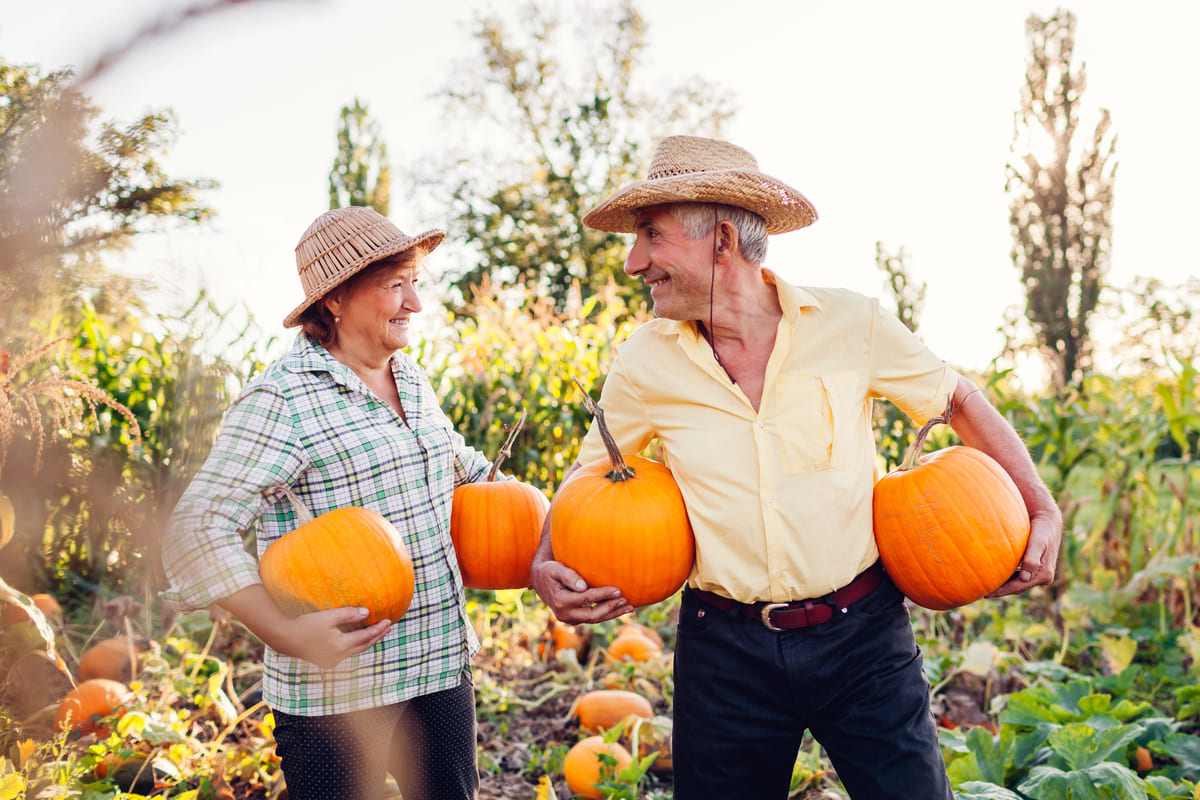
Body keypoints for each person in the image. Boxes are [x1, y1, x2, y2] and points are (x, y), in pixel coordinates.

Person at [530, 135, 1063, 800]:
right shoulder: (645, 360)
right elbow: (588, 476)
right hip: (724, 651)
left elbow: (957, 401)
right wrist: (544, 559)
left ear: (722, 240)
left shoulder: (851, 324)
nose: (635, 262)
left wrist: (1040, 505)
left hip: (864, 639)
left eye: (650, 236)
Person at [162, 206, 494, 800]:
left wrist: (554, 522)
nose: (415, 303)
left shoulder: (410, 378)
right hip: (337, 691)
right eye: (394, 285)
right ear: (336, 299)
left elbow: (463, 468)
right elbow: (197, 528)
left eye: (415, 282)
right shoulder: (282, 399)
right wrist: (284, 634)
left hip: (439, 662)